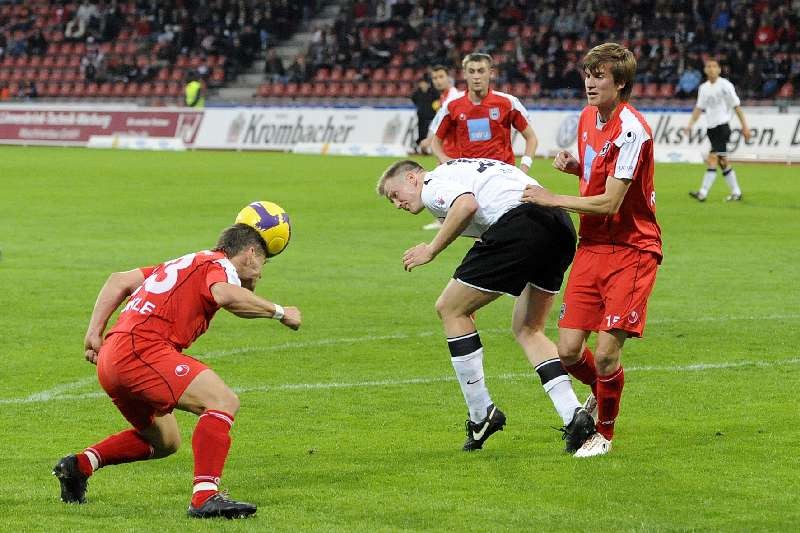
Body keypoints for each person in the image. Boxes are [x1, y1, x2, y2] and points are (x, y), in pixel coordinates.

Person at [53, 223, 302, 518]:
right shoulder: (218, 266)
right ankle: (205, 497)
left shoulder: (185, 263)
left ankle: (79, 466)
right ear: (249, 254)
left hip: (113, 356)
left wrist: (94, 332)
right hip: (142, 350)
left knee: (165, 440)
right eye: (262, 262)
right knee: (222, 401)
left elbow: (118, 280)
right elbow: (224, 295)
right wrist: (280, 311)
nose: (260, 272)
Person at [376, 158, 595, 453]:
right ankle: (574, 415)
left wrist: (430, 250)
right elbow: (482, 223)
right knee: (528, 328)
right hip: (559, 225)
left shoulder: (431, 185)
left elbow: (466, 205)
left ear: (413, 178)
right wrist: (470, 295)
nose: (397, 204)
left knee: (449, 308)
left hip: (522, 223)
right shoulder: (457, 171)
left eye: (395, 195)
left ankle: (481, 415)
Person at [521, 42, 663, 458]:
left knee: (604, 354)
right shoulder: (587, 118)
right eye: (587, 74)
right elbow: (599, 173)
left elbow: (610, 202)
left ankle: (604, 433)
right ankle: (603, 391)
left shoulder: (633, 128)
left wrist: (553, 198)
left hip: (633, 248)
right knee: (566, 351)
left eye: (599, 76)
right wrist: (575, 167)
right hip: (593, 245)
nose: (590, 82)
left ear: (620, 83)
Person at [430, 53, 538, 176]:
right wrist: (445, 160)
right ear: (464, 74)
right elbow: (435, 142)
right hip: (468, 176)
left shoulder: (508, 103)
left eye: (481, 71)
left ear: (491, 73)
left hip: (502, 176)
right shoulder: (452, 106)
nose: (476, 76)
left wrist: (524, 168)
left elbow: (531, 138)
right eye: (471, 71)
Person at [684, 59, 752, 202]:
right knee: (723, 161)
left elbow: (736, 107)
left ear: (719, 70)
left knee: (712, 159)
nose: (711, 69)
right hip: (712, 129)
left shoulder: (725, 86)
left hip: (722, 127)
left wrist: (745, 126)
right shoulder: (704, 88)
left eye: (714, 66)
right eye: (709, 66)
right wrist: (690, 124)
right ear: (705, 70)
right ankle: (736, 192)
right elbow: (699, 108)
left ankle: (702, 193)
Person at [420, 64, 463, 230]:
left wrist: (429, 139)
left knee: (439, 183)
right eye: (434, 78)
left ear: (449, 78)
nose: (437, 81)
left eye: (440, 77)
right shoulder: (445, 97)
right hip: (447, 148)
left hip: (454, 150)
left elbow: (440, 123)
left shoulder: (453, 97)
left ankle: (446, 221)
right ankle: (446, 220)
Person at [410, 77, 439, 152]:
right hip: (421, 116)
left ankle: (429, 148)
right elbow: (413, 99)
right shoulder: (417, 93)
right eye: (421, 83)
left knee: (430, 133)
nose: (423, 85)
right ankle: (421, 148)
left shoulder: (433, 92)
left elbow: (438, 100)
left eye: (424, 83)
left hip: (431, 117)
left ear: (428, 84)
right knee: (421, 133)